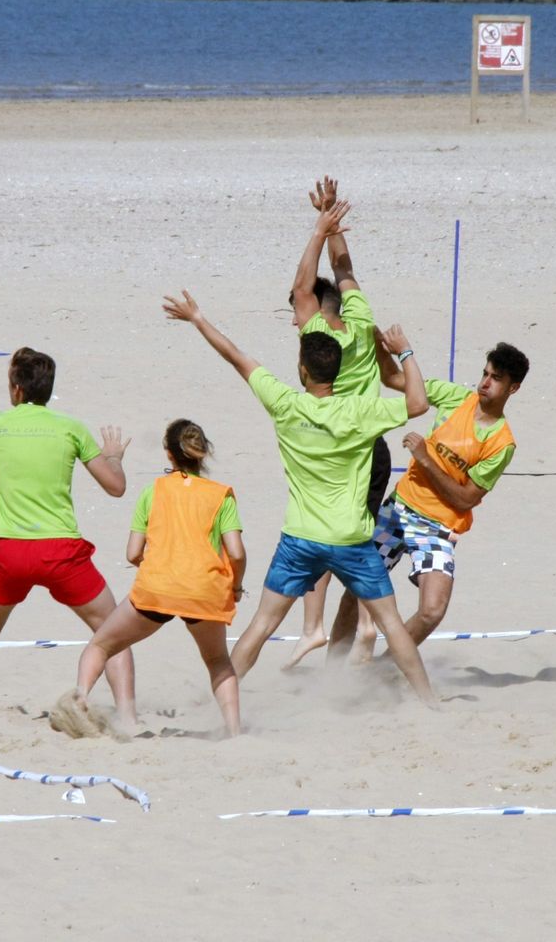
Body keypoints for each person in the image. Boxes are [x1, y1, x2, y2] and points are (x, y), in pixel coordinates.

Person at [161, 286, 440, 707]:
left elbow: (235, 356)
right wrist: (404, 352)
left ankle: (219, 701)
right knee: (392, 625)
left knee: (261, 626)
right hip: (350, 539)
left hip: (301, 539)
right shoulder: (359, 411)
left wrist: (198, 318)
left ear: (303, 370)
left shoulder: (286, 404)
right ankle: (430, 705)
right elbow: (418, 403)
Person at [0, 348, 136, 725]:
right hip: (62, 552)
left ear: (16, 390)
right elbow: (116, 487)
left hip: (12, 552)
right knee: (111, 631)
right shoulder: (71, 428)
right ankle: (130, 719)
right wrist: (113, 455)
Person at [53, 419, 247, 739]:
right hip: (204, 589)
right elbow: (237, 553)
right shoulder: (220, 495)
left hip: (158, 588)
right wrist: (236, 586)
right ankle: (235, 732)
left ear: (169, 455)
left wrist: (162, 563)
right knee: (217, 661)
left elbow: (132, 553)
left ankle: (81, 700)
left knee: (101, 644)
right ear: (202, 453)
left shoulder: (153, 491)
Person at [284, 180, 393, 669]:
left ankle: (328, 627)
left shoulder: (319, 335)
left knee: (324, 533)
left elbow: (303, 286)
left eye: (295, 312)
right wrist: (332, 222)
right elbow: (343, 269)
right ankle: (356, 624)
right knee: (357, 536)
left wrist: (317, 229)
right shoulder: (363, 316)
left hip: (339, 445)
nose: (294, 317)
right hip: (376, 447)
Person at [365, 341, 528, 650]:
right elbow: (394, 380)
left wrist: (426, 459)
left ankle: (384, 669)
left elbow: (466, 499)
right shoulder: (456, 397)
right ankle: (337, 663)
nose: (484, 383)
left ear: (513, 388)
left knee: (432, 610)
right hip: (399, 510)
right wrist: (384, 342)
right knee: (358, 591)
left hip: (437, 528)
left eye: (496, 378)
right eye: (485, 374)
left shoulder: (501, 443)